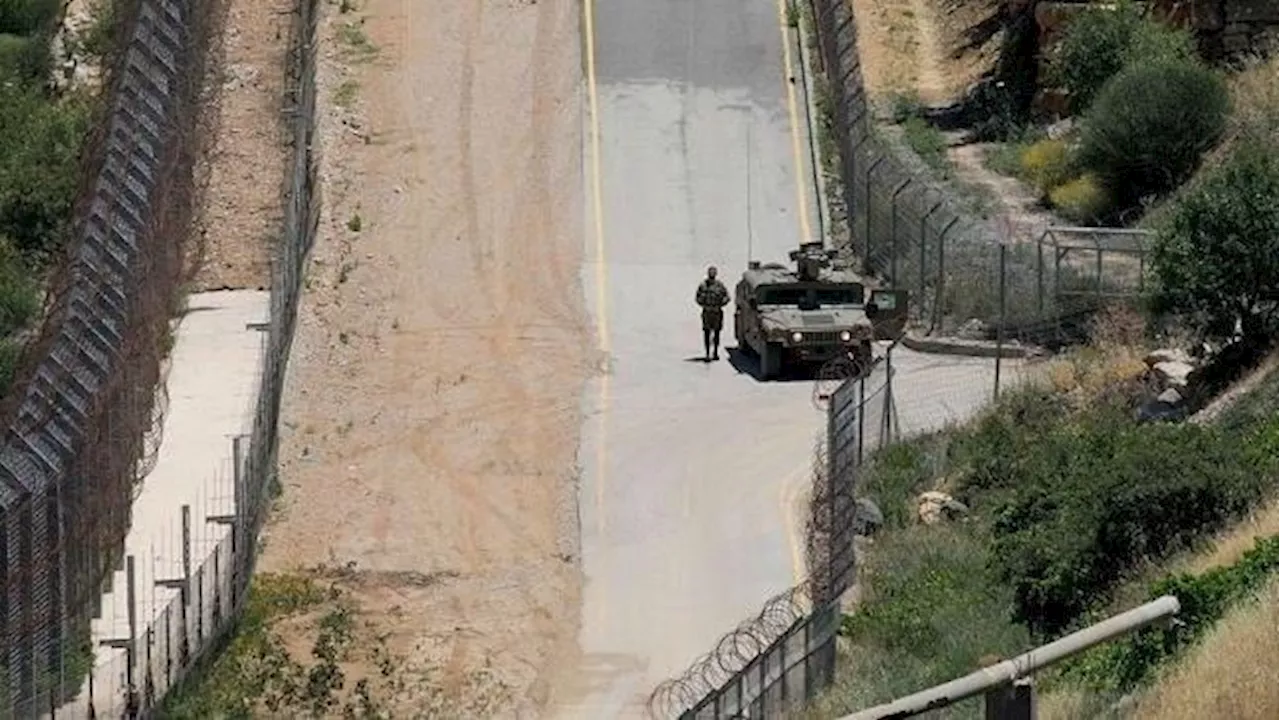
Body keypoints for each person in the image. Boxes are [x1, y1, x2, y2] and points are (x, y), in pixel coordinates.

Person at [695, 265, 730, 361]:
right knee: (706, 332)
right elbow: (697, 298)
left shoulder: (720, 285)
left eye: (713, 273)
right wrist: (703, 303)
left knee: (717, 333)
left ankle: (715, 352)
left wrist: (722, 303)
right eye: (710, 273)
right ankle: (707, 353)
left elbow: (727, 297)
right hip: (707, 312)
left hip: (717, 312)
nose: (712, 275)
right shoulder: (703, 285)